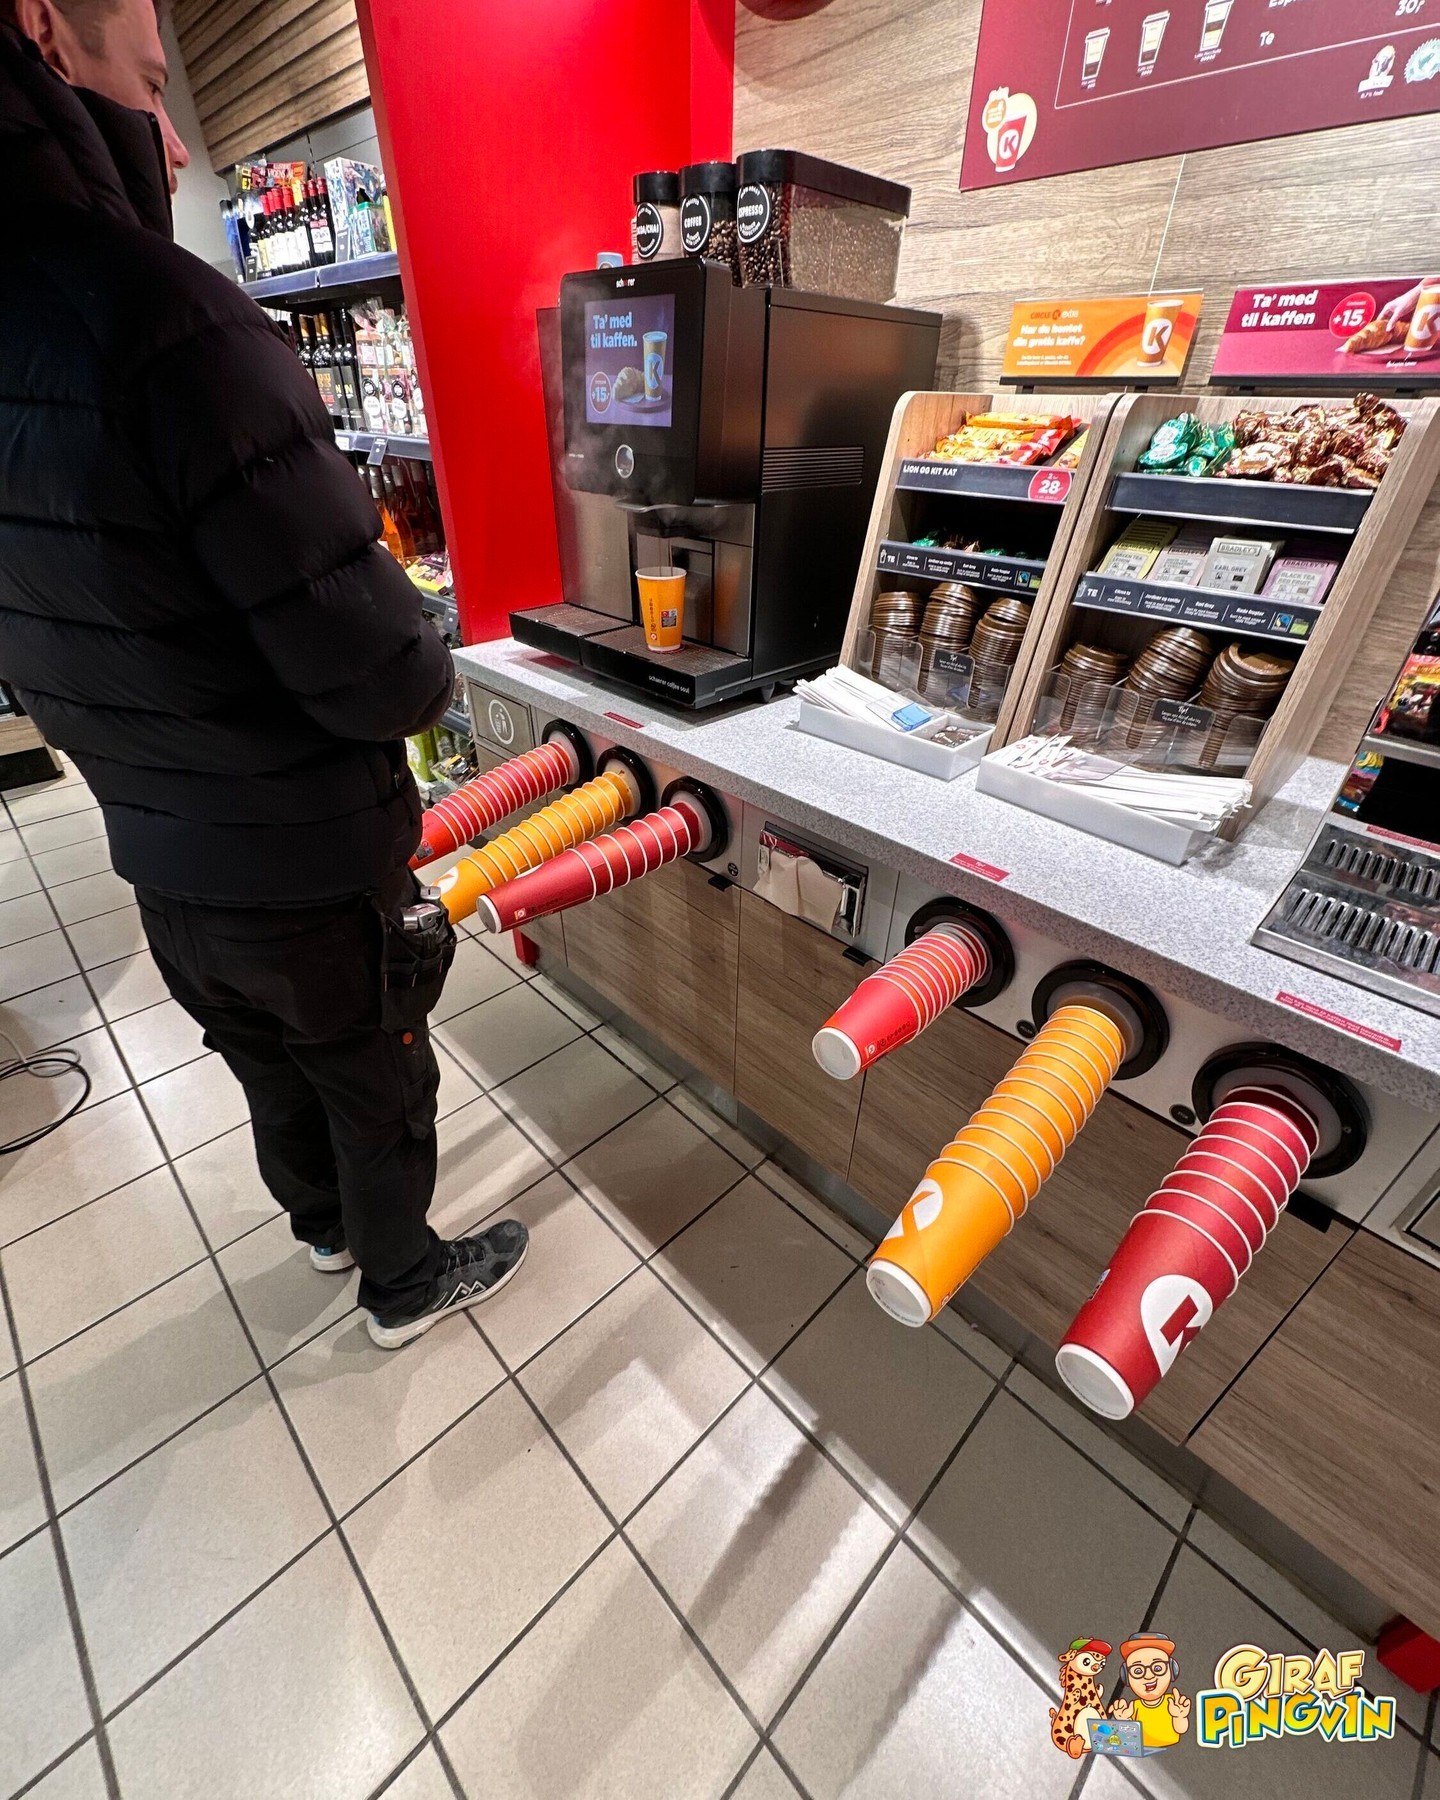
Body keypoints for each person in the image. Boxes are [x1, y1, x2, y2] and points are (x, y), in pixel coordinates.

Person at [0, 8, 528, 1349]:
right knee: (370, 1078)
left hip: (158, 853)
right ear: (47, 33)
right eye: (153, 86)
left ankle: (323, 1229)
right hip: (301, 853)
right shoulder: (168, 315)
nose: (176, 144)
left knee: (263, 1066)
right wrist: (425, 654)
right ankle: (403, 1280)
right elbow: (377, 669)